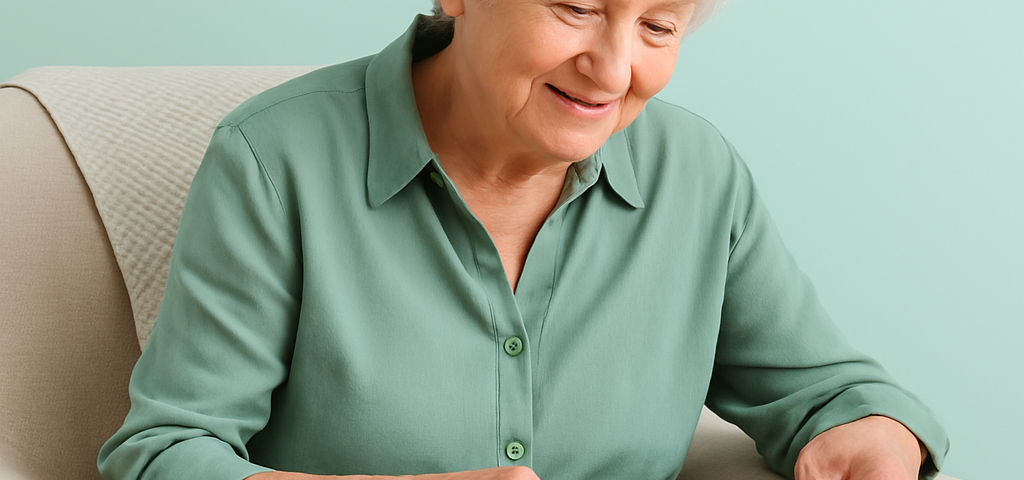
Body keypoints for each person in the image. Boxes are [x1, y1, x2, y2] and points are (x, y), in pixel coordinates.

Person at [98, 1, 950, 479]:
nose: (614, 72)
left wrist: (876, 433)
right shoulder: (273, 162)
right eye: (576, 8)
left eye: (660, 27)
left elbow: (828, 390)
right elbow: (165, 454)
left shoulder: (697, 173)